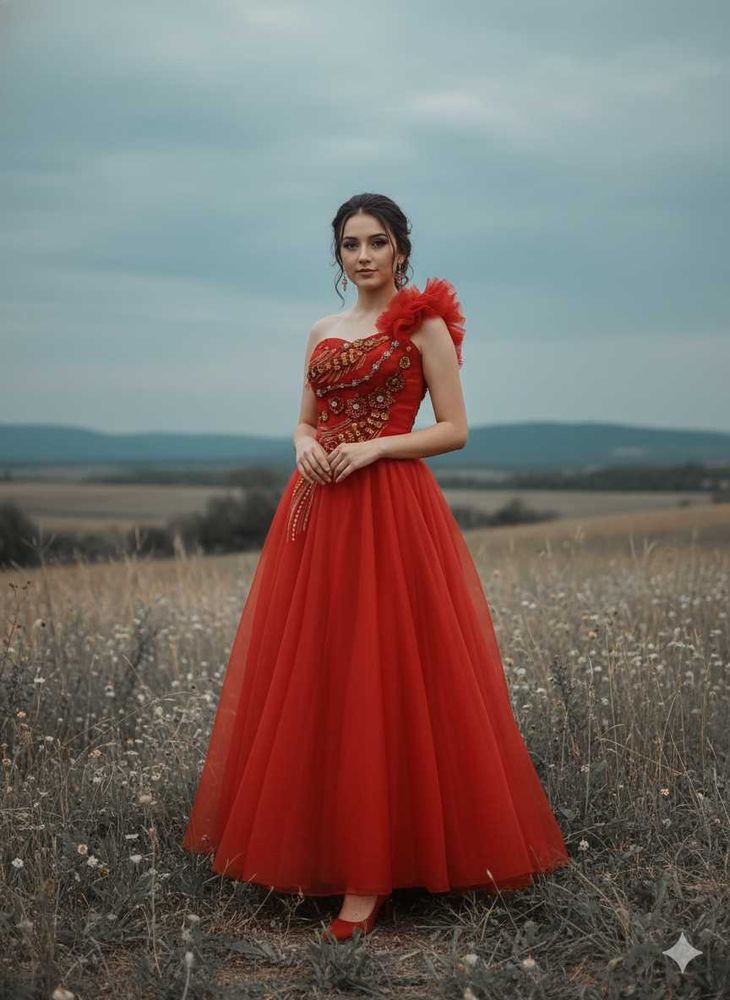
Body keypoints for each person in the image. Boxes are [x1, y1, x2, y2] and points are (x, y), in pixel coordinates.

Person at [181, 192, 571, 940]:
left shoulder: (423, 324)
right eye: (350, 244)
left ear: (401, 251)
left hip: (390, 511)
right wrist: (303, 445)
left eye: (377, 242)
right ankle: (315, 847)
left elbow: (455, 430)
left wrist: (375, 447)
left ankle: (373, 875)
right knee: (318, 672)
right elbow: (303, 417)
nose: (363, 255)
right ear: (338, 255)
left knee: (389, 671)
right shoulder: (322, 330)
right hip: (317, 511)